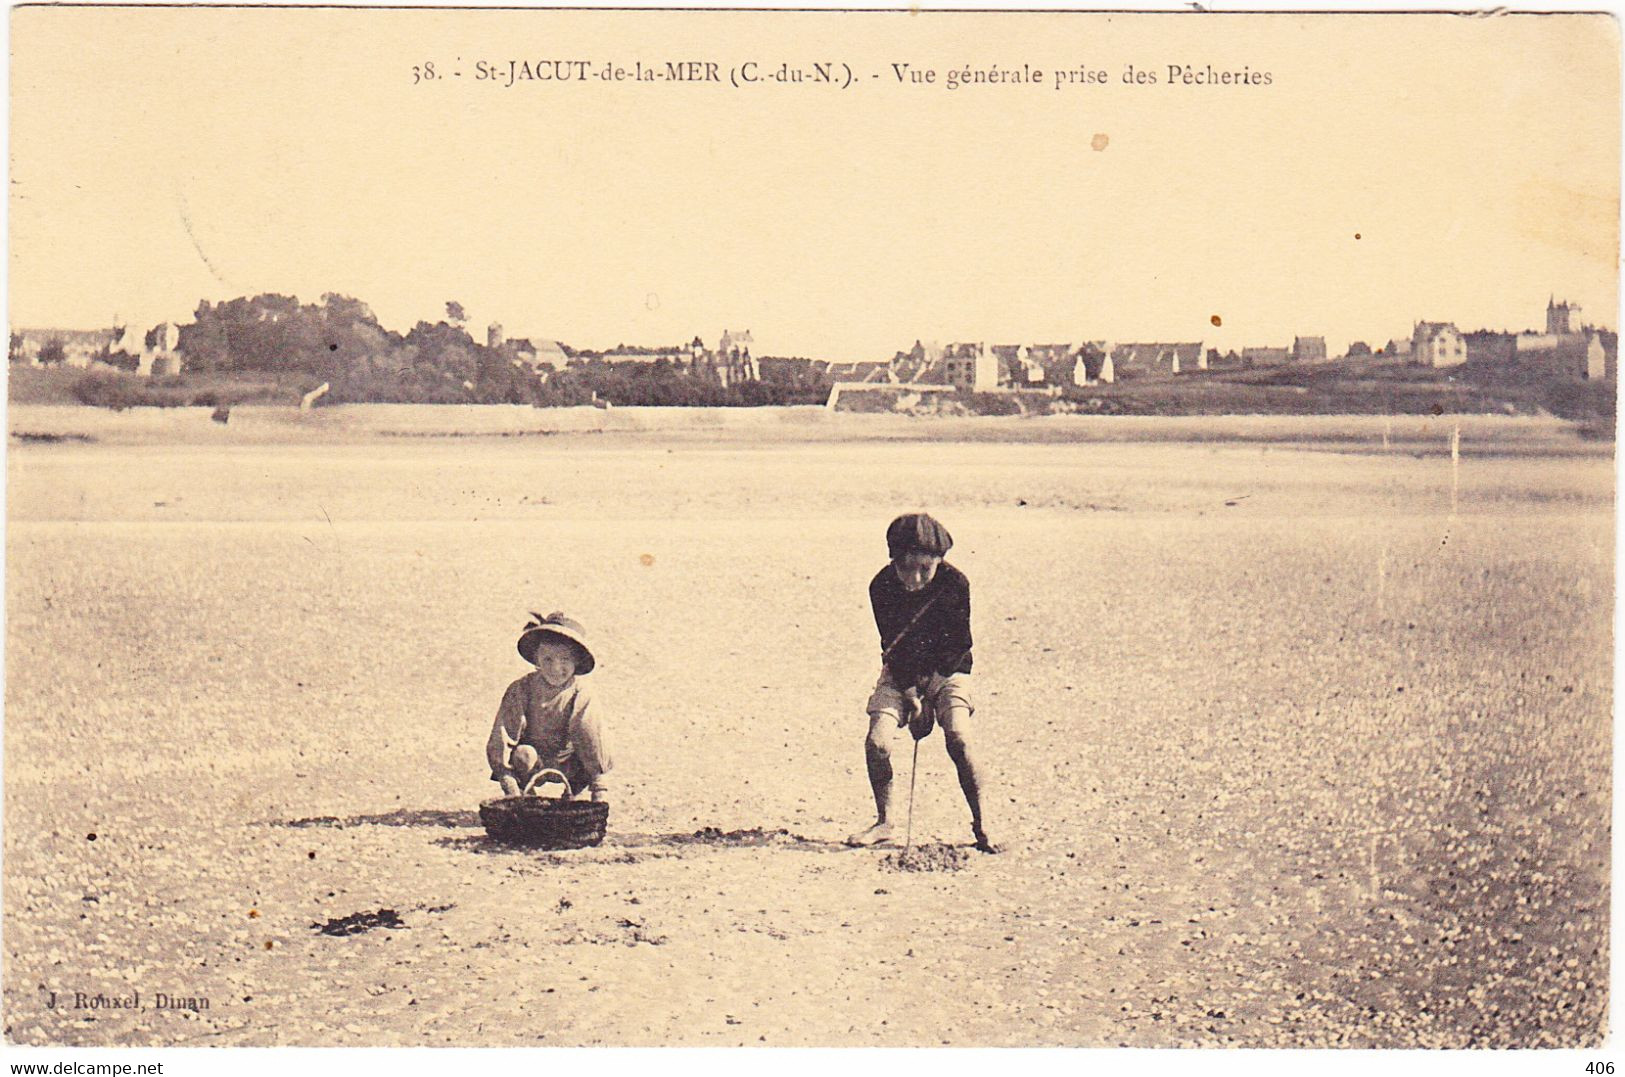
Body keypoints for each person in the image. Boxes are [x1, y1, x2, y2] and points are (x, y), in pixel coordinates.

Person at [847, 513, 999, 853]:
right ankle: (885, 822)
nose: (914, 578)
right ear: (893, 561)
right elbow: (892, 647)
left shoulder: (955, 584)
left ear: (939, 561)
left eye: (924, 569)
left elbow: (959, 644)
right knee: (877, 743)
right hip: (901, 673)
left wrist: (930, 696)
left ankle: (983, 821)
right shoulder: (881, 586)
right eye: (906, 568)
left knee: (959, 737)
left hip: (950, 671)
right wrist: (911, 694)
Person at [486, 612, 611, 802]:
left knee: (587, 756)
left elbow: (591, 736)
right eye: (548, 659)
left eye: (565, 660)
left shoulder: (581, 693)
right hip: (533, 759)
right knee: (523, 754)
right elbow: (504, 733)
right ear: (537, 659)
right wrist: (507, 781)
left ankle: (572, 798)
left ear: (576, 661)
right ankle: (527, 799)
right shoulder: (521, 689)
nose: (555, 668)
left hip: (569, 760)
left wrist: (599, 789)